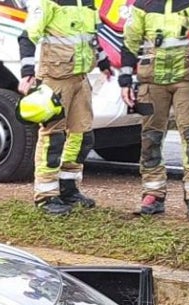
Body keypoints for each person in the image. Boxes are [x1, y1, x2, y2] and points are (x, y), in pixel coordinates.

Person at [119, 0, 189, 221]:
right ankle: (152, 194)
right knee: (150, 139)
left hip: (188, 78)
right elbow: (129, 42)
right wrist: (125, 79)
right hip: (152, 81)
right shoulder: (143, 4)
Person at [17, 0, 110, 216]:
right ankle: (46, 195)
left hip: (80, 78)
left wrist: (104, 63)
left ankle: (68, 188)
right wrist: (27, 71)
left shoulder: (87, 3)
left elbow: (92, 38)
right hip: (55, 80)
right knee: (53, 138)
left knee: (82, 137)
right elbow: (27, 36)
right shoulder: (48, 3)